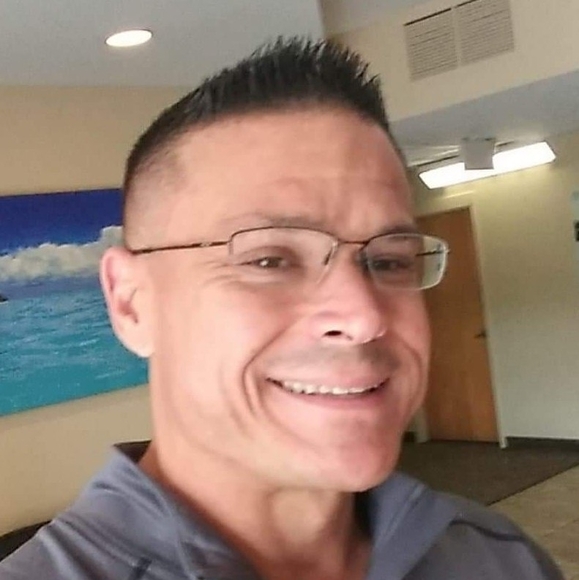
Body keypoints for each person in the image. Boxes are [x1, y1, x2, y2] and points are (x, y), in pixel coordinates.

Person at [0, 38, 563, 580]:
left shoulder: (502, 558)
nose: (364, 317)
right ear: (131, 303)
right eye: (269, 259)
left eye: (389, 261)